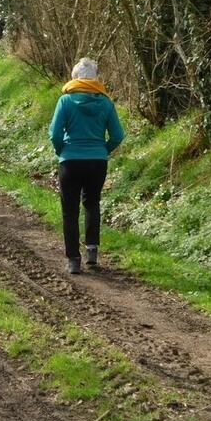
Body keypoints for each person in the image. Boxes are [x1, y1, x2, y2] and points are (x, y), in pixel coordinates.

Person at [49, 58, 125, 274]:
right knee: (92, 203)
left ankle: (73, 259)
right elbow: (118, 135)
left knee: (69, 210)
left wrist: (60, 150)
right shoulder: (106, 103)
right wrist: (104, 150)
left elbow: (55, 133)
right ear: (95, 78)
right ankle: (92, 251)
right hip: (97, 162)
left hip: (70, 161)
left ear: (75, 77)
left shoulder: (65, 101)